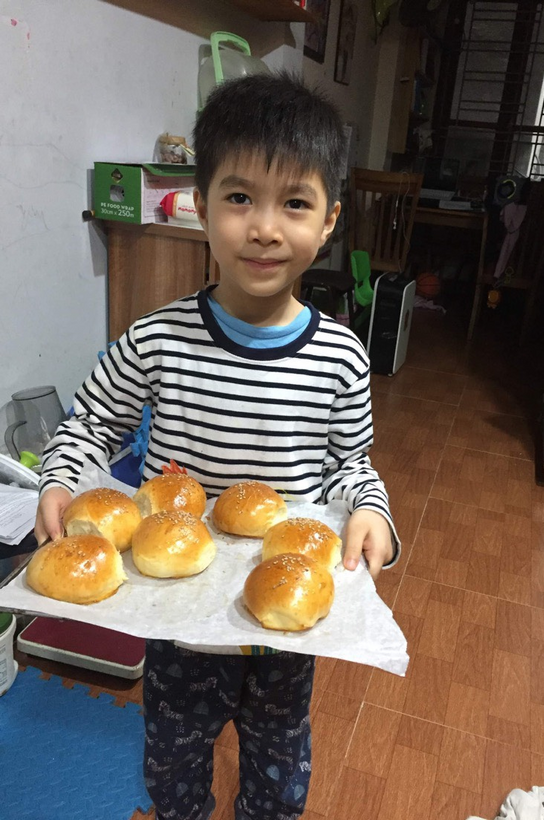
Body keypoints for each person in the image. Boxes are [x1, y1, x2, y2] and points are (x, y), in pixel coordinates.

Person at [34, 73, 400, 820]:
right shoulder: (157, 339)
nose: (264, 228)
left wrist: (372, 512)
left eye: (294, 203)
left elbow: (350, 466)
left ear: (329, 220)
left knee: (279, 768)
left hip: (285, 623)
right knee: (172, 762)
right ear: (199, 206)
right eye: (239, 198)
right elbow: (91, 422)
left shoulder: (341, 357)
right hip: (176, 620)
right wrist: (60, 480)